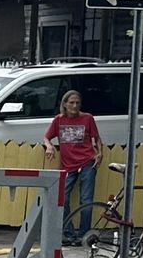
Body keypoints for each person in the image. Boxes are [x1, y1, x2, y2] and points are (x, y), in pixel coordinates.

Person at [44, 88, 103, 245]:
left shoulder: (87, 118)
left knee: (86, 200)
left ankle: (84, 235)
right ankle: (69, 233)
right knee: (62, 198)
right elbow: (47, 137)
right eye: (71, 103)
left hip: (87, 162)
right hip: (68, 165)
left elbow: (97, 138)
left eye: (77, 103)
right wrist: (49, 146)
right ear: (64, 104)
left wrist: (99, 153)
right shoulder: (59, 120)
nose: (75, 106)